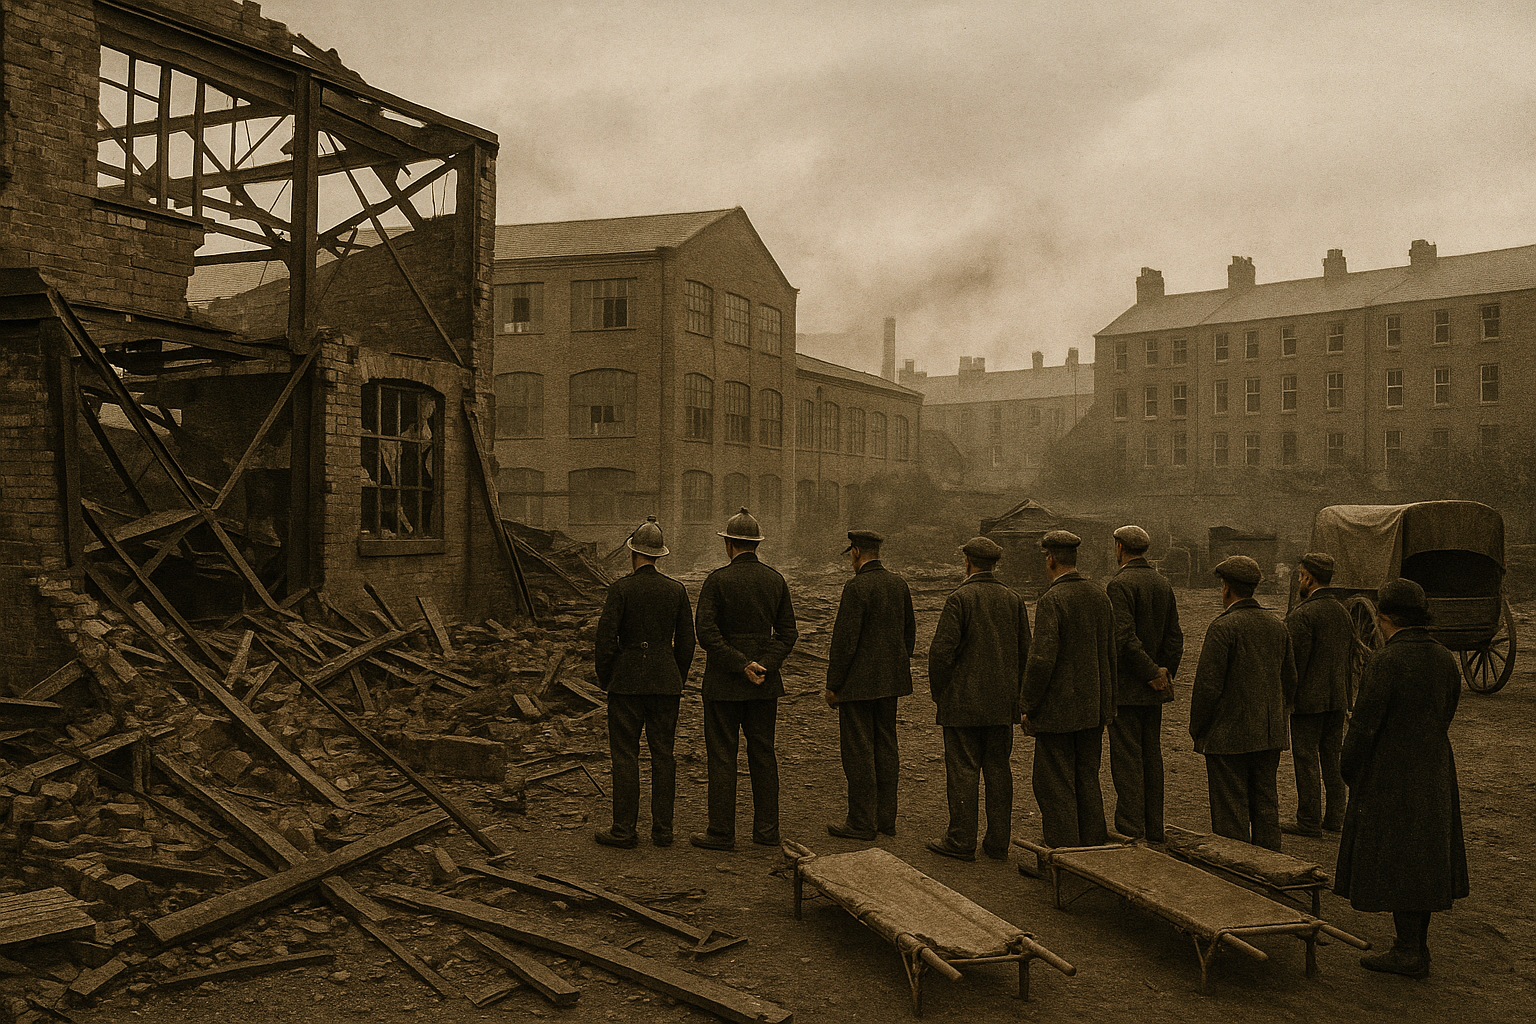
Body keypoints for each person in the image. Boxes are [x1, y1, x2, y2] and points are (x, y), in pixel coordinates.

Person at [1336, 579, 1468, 979]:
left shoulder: (1386, 661)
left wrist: (1350, 767)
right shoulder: (1444, 657)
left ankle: (1409, 950)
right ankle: (1414, 946)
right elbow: (1447, 710)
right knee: (1423, 858)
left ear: (1384, 616)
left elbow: (1364, 726)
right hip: (1433, 767)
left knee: (1397, 857)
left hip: (1391, 771)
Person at [692, 507, 798, 851]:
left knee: (723, 757)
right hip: (764, 685)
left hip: (724, 684)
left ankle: (721, 833)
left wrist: (741, 664)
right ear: (755, 544)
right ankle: (767, 832)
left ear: (729, 545)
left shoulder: (716, 581)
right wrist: (763, 665)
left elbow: (706, 633)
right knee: (763, 754)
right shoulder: (775, 579)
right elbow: (787, 633)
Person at [591, 516, 696, 848]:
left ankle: (624, 829)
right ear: (660, 555)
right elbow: (688, 644)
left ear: (632, 552)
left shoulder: (620, 589)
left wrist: (610, 677)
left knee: (626, 755)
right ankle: (663, 831)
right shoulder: (676, 590)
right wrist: (675, 675)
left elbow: (605, 641)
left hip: (627, 682)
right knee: (664, 755)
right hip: (666, 682)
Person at [926, 536, 1031, 861]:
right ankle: (998, 843)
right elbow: (1026, 654)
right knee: (999, 770)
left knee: (963, 771)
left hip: (963, 707)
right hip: (1002, 707)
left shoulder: (960, 599)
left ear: (968, 562)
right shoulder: (1013, 600)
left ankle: (961, 841)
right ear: (994, 564)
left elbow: (940, 654)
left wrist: (941, 694)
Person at [1189, 555, 1297, 851]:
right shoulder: (1278, 625)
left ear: (1226, 588)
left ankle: (1236, 880)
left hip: (1228, 738)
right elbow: (1291, 682)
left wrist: (1197, 729)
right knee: (1265, 807)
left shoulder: (1223, 628)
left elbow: (1207, 689)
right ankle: (1270, 870)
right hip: (1269, 735)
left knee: (1231, 815)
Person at [1020, 530, 1115, 850]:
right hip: (1093, 711)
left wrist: (1029, 706)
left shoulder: (1052, 600)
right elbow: (1109, 654)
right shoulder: (1099, 595)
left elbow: (1041, 660)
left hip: (1058, 714)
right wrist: (1107, 705)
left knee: (1054, 785)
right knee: (1087, 780)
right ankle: (1093, 849)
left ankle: (1064, 855)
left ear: (1050, 558)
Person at [825, 530, 916, 841]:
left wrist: (834, 685)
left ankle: (862, 822)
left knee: (859, 752)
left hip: (857, 687)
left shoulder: (856, 587)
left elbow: (844, 642)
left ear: (855, 552)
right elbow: (909, 636)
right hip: (890, 685)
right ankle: (885, 821)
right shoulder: (899, 584)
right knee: (886, 748)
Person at [1105, 525, 1182, 844]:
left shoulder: (1119, 585)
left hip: (1126, 692)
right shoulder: (1163, 583)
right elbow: (1175, 638)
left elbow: (1123, 639)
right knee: (1152, 757)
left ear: (1120, 547)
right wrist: (1162, 674)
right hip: (1154, 692)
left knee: (1127, 762)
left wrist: (1150, 672)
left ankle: (1130, 830)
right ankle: (1154, 828)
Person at [1282, 552, 1354, 838]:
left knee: (1306, 759)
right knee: (1332, 757)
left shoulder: (1302, 615)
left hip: (1308, 703)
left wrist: (1287, 697)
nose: (1300, 580)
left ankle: (1308, 820)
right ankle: (1335, 817)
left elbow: (1293, 665)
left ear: (1309, 578)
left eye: (1301, 575)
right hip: (1337, 700)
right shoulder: (1342, 611)